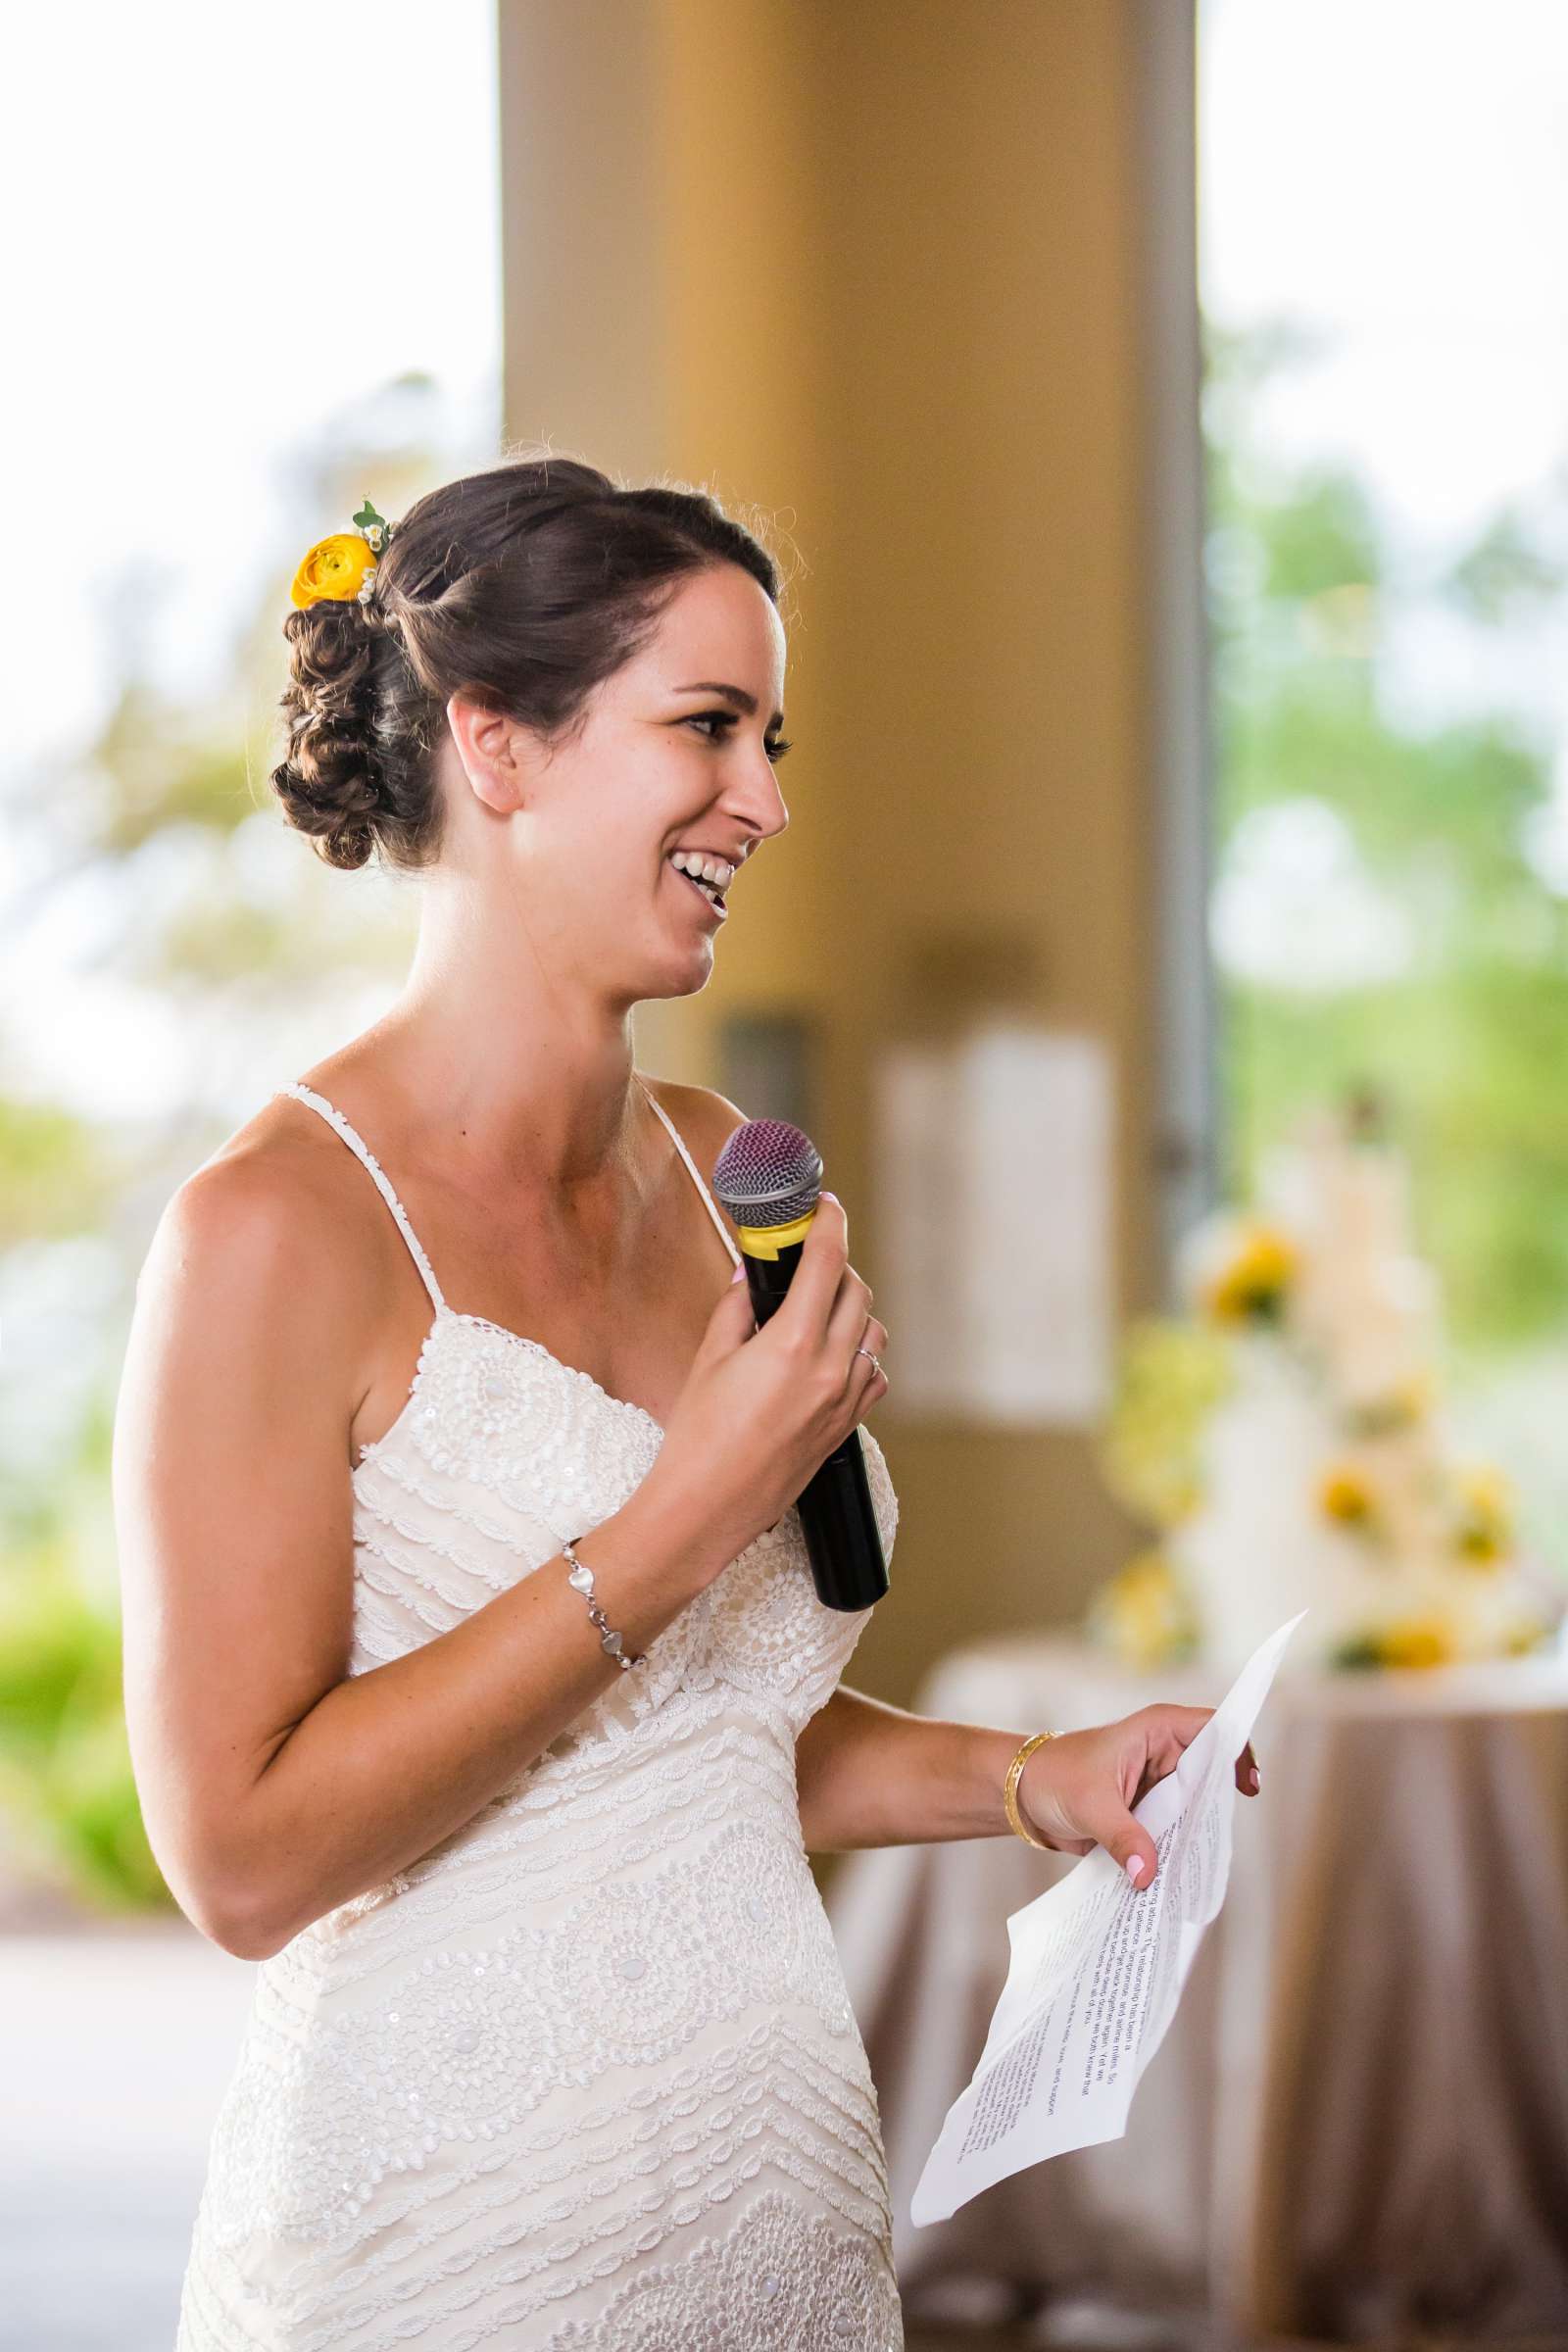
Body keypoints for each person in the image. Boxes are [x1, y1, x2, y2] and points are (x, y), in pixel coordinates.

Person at [114, 453, 1259, 2351]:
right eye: (706, 727)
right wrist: (680, 1513)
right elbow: (238, 1861)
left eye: (770, 735)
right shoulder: (271, 1234)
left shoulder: (736, 1173)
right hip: (449, 2243)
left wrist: (1011, 1780)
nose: (767, 800)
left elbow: (700, 1734)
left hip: (782, 2220)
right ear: (496, 747)